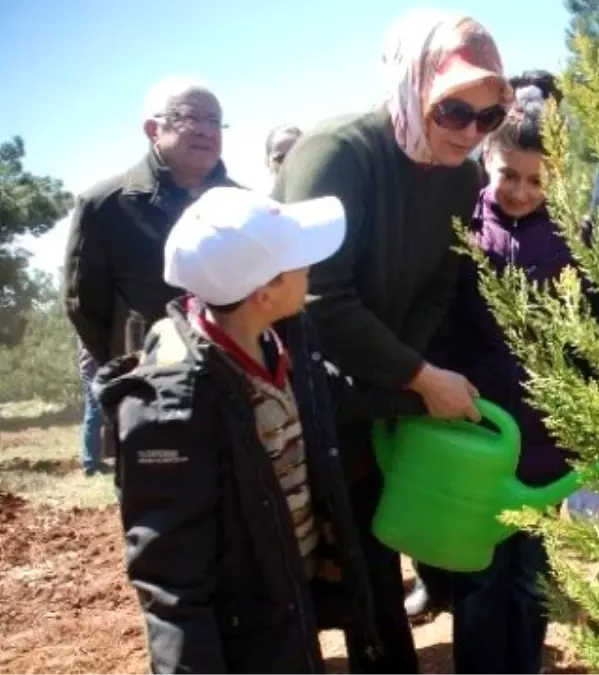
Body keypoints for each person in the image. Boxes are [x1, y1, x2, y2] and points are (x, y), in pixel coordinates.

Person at [271, 10, 510, 673]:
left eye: (487, 119)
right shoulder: (337, 154)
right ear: (410, 83)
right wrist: (418, 377)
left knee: (375, 565)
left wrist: (405, 377)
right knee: (303, 572)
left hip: (382, 390)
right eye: (455, 109)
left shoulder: (461, 175)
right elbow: (320, 299)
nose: (469, 132)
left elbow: (442, 283)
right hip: (303, 399)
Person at [94, 187, 401, 674]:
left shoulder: (278, 341)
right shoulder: (174, 405)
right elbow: (171, 580)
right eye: (300, 262)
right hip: (244, 633)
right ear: (265, 291)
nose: (311, 271)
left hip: (286, 597)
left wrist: (422, 389)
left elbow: (330, 399)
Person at [437, 82, 589, 675]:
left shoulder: (575, 239)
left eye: (536, 180)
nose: (521, 191)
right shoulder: (462, 230)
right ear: (485, 162)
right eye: (509, 176)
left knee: (530, 579)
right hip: (477, 437)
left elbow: (589, 335)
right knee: (477, 576)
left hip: (545, 448)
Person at [64, 75, 237, 369]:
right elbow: (84, 305)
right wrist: (128, 366)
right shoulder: (107, 205)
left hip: (234, 378)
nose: (207, 131)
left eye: (214, 120)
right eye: (190, 117)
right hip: (151, 385)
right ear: (152, 130)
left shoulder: (243, 204)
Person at [76, 340, 106, 476]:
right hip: (92, 368)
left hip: (98, 368)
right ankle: (90, 464)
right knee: (94, 410)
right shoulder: (89, 323)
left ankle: (95, 459)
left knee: (98, 411)